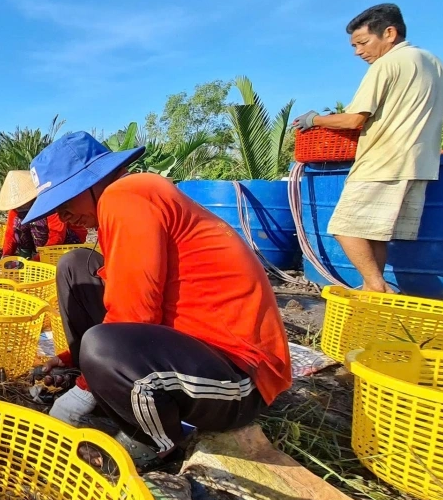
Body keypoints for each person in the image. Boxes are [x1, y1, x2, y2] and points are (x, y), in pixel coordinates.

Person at [26, 132, 291, 467]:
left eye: (66, 204)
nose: (64, 218)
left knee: (102, 346)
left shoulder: (125, 195)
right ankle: (99, 379)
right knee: (76, 266)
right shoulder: (126, 201)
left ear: (93, 181)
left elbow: (136, 314)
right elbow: (131, 297)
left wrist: (82, 390)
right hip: (189, 351)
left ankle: (154, 443)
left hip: (240, 378)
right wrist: (70, 360)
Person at [294, 3, 443, 293]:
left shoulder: (388, 63)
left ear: (389, 33)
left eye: (363, 42)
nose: (358, 52)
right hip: (420, 162)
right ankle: (372, 289)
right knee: (374, 234)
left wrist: (314, 119)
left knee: (344, 227)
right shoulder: (434, 64)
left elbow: (354, 119)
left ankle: (376, 287)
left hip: (384, 159)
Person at [0, 170, 87, 258]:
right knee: (19, 223)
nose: (19, 206)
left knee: (38, 222)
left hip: (68, 240)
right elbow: (10, 233)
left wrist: (39, 259)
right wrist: (6, 255)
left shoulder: (49, 204)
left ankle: (40, 256)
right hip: (41, 243)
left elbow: (57, 235)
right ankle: (26, 256)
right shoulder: (16, 209)